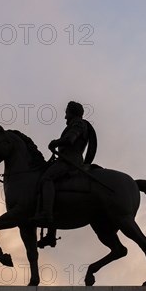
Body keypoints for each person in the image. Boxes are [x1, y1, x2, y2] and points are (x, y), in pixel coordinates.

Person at [32, 101, 96, 248]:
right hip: (65, 159)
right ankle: (50, 236)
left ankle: (46, 214)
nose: (65, 116)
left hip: (70, 160)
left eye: (67, 112)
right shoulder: (76, 124)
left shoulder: (78, 124)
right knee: (53, 183)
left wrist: (55, 142)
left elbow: (70, 139)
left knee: (47, 178)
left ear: (72, 112)